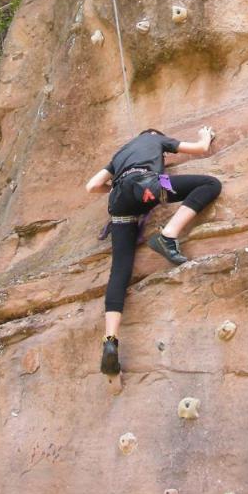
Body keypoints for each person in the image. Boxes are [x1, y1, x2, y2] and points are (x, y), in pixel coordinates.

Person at [85, 126, 221, 375]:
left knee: (120, 271)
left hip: (118, 201)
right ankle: (168, 235)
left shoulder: (119, 155)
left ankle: (110, 341)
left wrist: (114, 187)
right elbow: (200, 149)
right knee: (210, 184)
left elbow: (92, 186)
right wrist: (206, 135)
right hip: (150, 183)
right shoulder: (155, 139)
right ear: (156, 136)